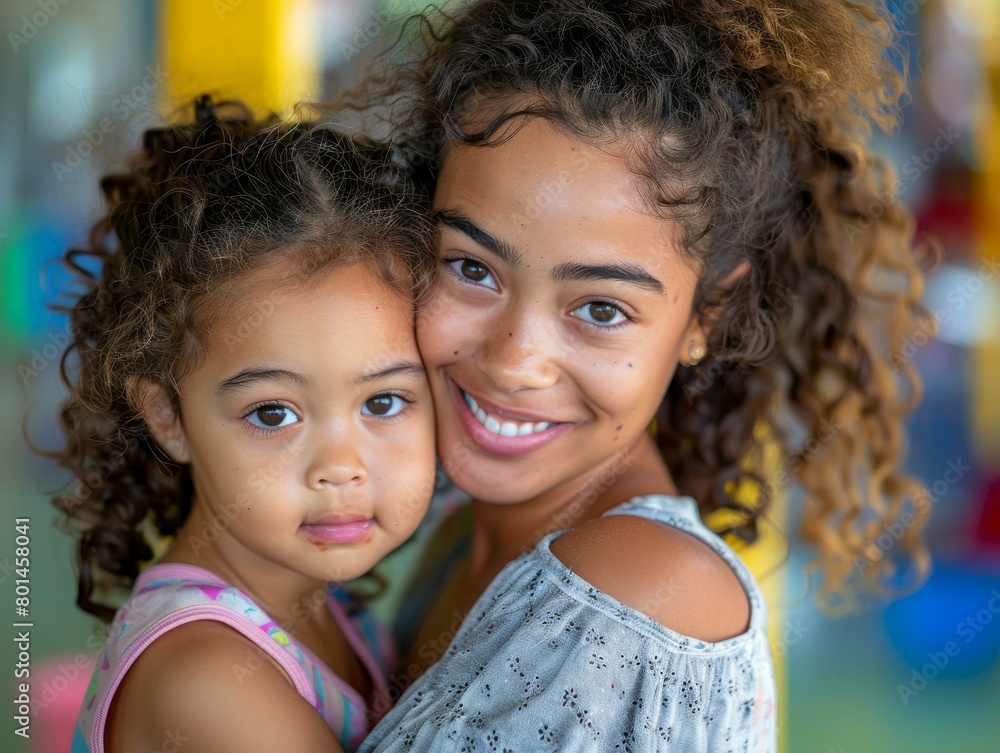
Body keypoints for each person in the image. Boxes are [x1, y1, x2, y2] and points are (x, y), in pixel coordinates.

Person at [340, 1, 934, 750]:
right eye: (471, 267)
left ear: (704, 318)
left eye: (599, 307)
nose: (513, 360)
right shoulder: (460, 529)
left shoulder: (631, 592)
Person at [51, 96, 438, 753]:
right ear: (168, 416)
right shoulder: (207, 680)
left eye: (383, 401)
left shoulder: (324, 603)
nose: (341, 465)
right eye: (273, 412)